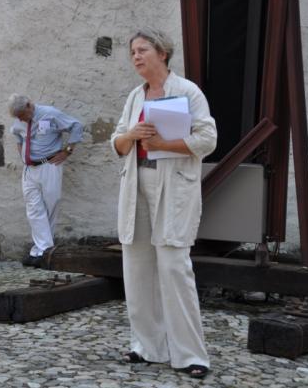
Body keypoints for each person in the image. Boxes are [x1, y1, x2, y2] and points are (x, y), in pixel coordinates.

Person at [110, 28, 216, 379]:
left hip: (173, 185)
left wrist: (162, 144)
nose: (136, 57)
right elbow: (118, 142)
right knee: (136, 265)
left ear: (163, 53)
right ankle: (147, 346)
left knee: (173, 266)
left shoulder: (187, 91)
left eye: (142, 50)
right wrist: (131, 135)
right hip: (136, 184)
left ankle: (190, 355)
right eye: (132, 52)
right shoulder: (134, 96)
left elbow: (208, 139)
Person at [8, 94, 83, 268]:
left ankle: (41, 251)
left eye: (22, 115)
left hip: (49, 165)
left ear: (29, 105)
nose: (20, 119)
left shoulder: (50, 114)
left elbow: (76, 126)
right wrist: (23, 156)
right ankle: (44, 251)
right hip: (29, 169)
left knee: (50, 205)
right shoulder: (19, 120)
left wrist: (67, 151)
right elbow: (18, 136)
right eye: (17, 117)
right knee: (33, 208)